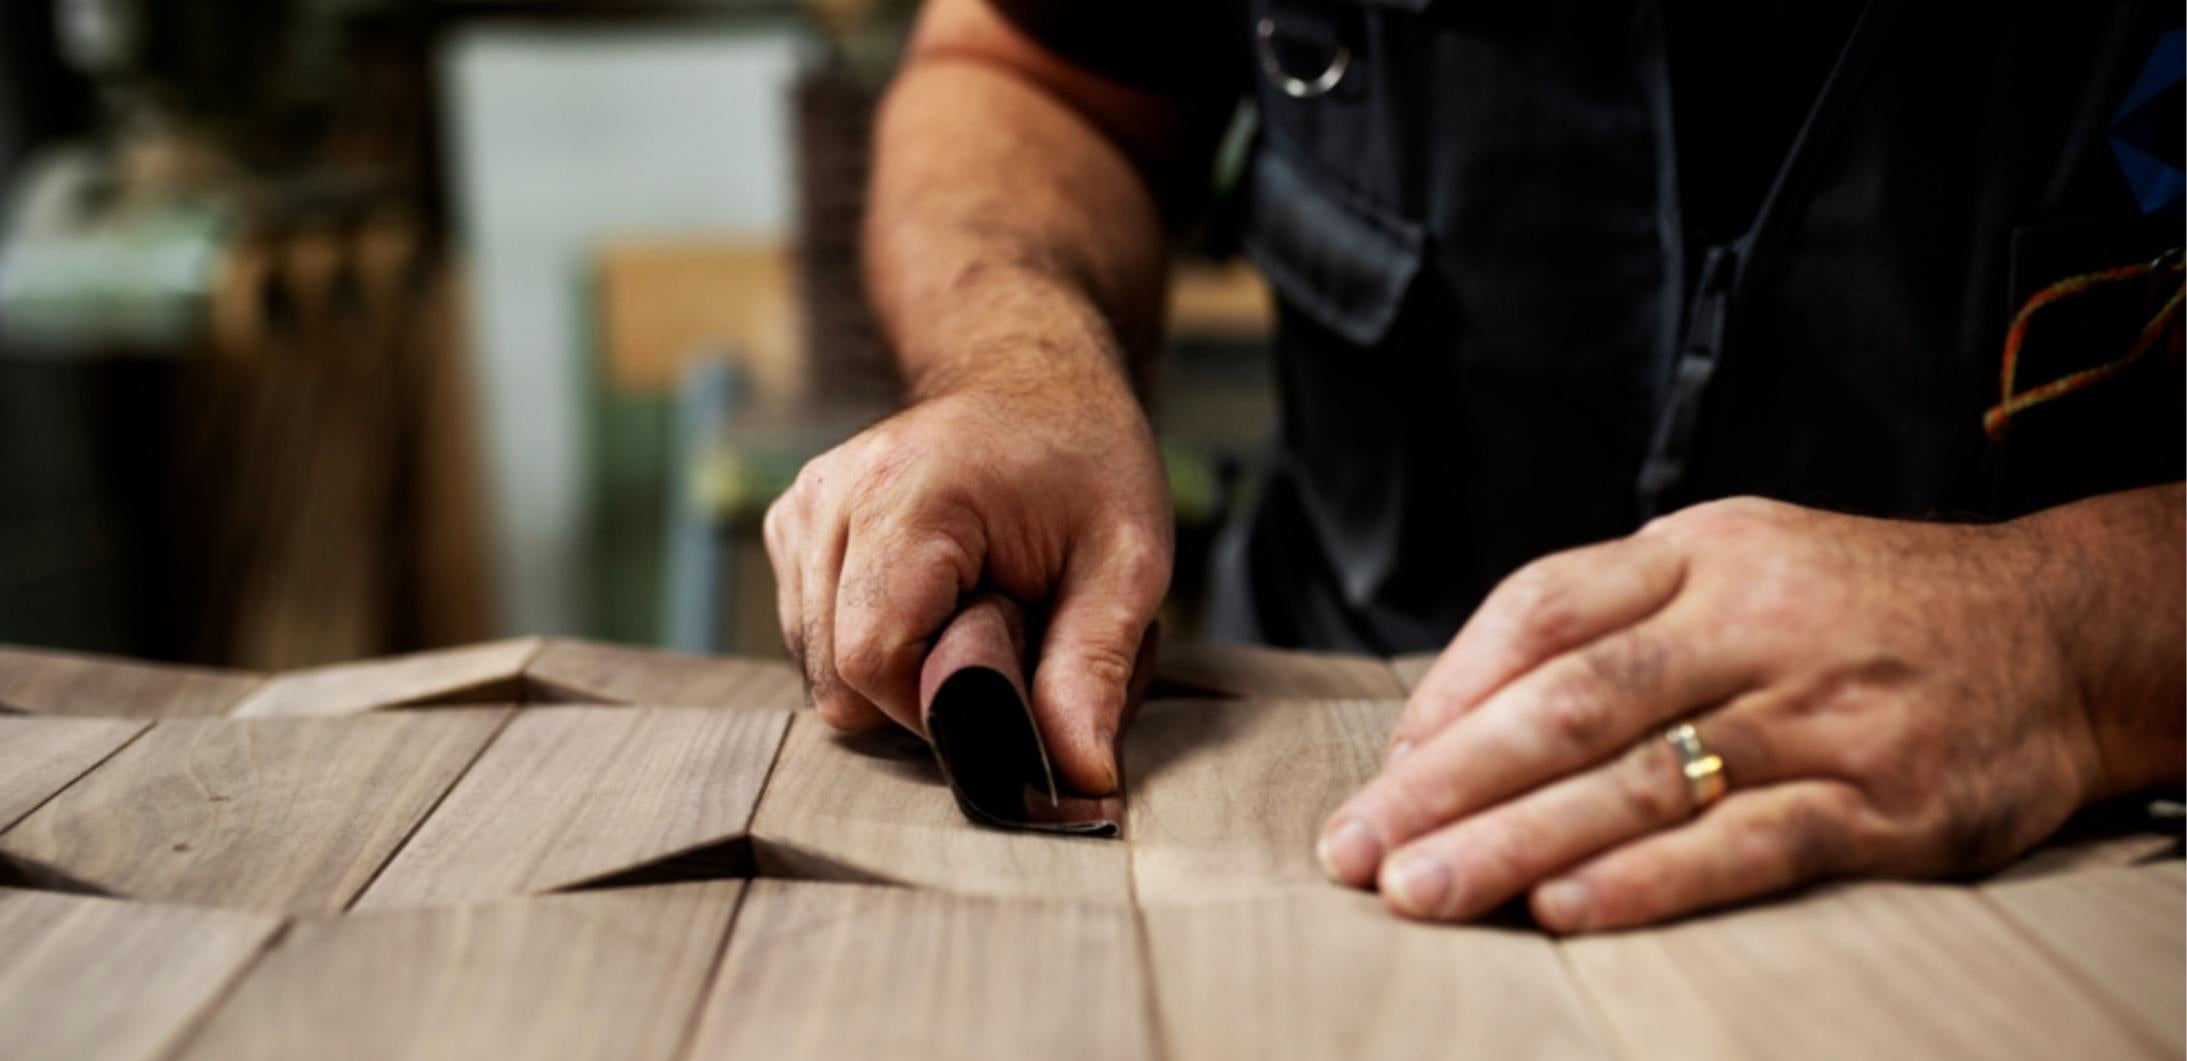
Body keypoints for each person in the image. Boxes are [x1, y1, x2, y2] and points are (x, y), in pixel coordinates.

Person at [763, 0, 2185, 929]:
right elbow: (1036, 77)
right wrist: (1020, 357)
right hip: (1304, 775)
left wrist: (2077, 636)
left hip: (2059, 868)